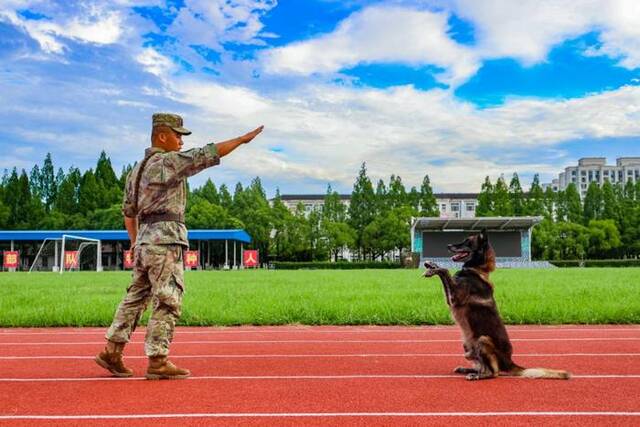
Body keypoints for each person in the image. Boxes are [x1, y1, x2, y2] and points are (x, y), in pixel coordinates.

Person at [95, 113, 263, 379]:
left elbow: (128, 213)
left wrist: (136, 243)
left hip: (145, 241)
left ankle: (112, 351)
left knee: (135, 299)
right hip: (165, 240)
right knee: (168, 298)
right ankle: (158, 359)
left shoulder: (136, 171)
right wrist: (241, 140)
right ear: (162, 136)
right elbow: (205, 155)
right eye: (178, 135)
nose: (181, 141)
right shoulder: (166, 162)